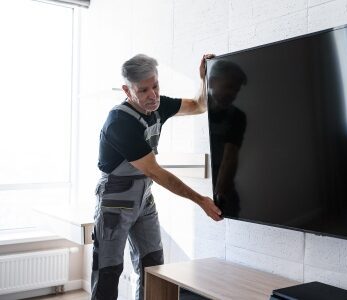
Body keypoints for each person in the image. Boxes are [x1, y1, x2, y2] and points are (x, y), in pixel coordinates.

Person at [92, 53, 222, 300]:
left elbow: (199, 105)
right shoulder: (119, 122)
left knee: (153, 267)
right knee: (108, 271)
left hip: (144, 198)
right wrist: (201, 201)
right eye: (143, 90)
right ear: (127, 90)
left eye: (156, 86)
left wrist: (204, 78)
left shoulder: (158, 104)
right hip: (114, 200)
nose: (152, 95)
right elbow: (155, 171)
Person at [207, 60, 247, 217]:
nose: (232, 94)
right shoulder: (200, 108)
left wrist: (219, 196)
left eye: (236, 90)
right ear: (211, 82)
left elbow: (230, 157)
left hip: (222, 187)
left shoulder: (237, 117)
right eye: (229, 86)